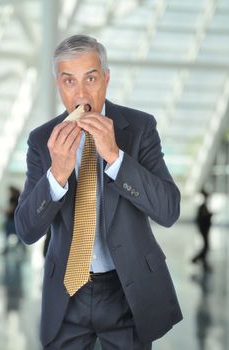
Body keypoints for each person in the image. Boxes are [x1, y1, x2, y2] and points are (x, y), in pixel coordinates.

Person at [14, 35, 182, 349]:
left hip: (128, 289)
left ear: (106, 78)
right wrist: (57, 175)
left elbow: (169, 210)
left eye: (90, 78)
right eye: (69, 82)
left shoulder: (140, 127)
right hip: (67, 293)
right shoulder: (41, 141)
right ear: (58, 86)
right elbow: (26, 230)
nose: (81, 94)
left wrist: (117, 158)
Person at [192, 189, 213, 269]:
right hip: (204, 229)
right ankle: (195, 259)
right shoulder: (202, 206)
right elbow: (203, 218)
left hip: (204, 229)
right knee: (206, 245)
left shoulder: (204, 206)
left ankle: (200, 261)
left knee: (206, 245)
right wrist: (210, 215)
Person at [1, 186, 22, 254]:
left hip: (11, 220)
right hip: (17, 221)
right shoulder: (20, 198)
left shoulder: (13, 199)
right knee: (19, 236)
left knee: (7, 235)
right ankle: (21, 249)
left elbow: (10, 210)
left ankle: (7, 249)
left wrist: (1, 210)